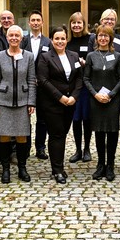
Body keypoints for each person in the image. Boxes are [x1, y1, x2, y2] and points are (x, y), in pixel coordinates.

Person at [37, 26, 83, 184]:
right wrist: (60, 97)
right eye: (56, 38)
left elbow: (79, 78)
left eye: (63, 38)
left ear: (66, 39)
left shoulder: (74, 56)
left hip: (70, 103)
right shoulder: (45, 57)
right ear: (51, 40)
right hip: (52, 103)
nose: (60, 41)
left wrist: (74, 97)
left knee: (62, 134)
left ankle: (58, 166)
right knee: (56, 135)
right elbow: (43, 80)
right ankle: (57, 170)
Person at [0, 25, 36, 183]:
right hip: (3, 102)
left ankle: (22, 168)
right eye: (11, 35)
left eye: (17, 35)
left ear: (21, 38)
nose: (14, 38)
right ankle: (5, 169)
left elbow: (31, 80)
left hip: (23, 102)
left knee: (21, 136)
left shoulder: (29, 56)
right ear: (7, 38)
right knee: (3, 136)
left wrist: (31, 102)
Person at [83, 24, 120, 181]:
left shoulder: (117, 56)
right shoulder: (91, 56)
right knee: (99, 132)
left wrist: (111, 94)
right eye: (100, 35)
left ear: (110, 38)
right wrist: (95, 95)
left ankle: (110, 165)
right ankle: (100, 164)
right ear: (96, 38)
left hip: (113, 100)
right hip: (96, 99)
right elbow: (86, 78)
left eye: (106, 36)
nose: (103, 38)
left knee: (112, 132)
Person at [20, 10, 51, 160]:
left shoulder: (48, 42)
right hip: (26, 85)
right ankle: (25, 148)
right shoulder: (23, 40)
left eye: (38, 20)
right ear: (29, 23)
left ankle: (40, 148)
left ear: (42, 23)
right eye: (33, 20)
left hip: (43, 86)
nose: (36, 23)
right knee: (24, 118)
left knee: (42, 119)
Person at [66, 12, 94, 163]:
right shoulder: (67, 41)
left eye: (79, 22)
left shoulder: (91, 39)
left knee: (87, 118)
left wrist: (86, 63)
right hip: (72, 85)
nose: (76, 25)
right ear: (70, 24)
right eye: (74, 22)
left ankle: (87, 149)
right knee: (76, 119)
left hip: (87, 85)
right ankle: (78, 150)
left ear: (84, 24)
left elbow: (96, 58)